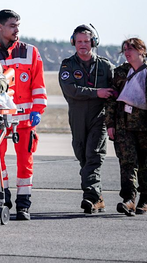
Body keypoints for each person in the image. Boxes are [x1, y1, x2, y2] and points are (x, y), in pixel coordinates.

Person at [0, 9, 46, 221]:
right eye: (12, 26)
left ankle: (23, 205)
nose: (17, 29)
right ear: (0, 27)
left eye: (18, 25)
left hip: (25, 119)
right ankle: (2, 200)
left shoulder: (31, 52)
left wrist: (37, 110)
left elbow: (39, 86)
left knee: (25, 161)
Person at [58, 25, 116, 214]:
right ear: (74, 42)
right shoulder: (68, 65)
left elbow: (114, 93)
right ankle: (97, 196)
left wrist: (112, 121)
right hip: (77, 117)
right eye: (79, 41)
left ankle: (90, 197)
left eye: (86, 41)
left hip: (98, 117)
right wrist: (97, 92)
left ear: (93, 42)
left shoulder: (105, 66)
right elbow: (70, 90)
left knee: (94, 156)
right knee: (82, 155)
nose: (83, 45)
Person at [106, 38, 147, 216]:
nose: (127, 52)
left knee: (145, 163)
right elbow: (112, 99)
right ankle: (129, 199)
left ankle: (144, 200)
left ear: (142, 50)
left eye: (131, 49)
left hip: (144, 126)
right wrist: (110, 124)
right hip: (124, 125)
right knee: (127, 163)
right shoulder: (121, 72)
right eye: (125, 50)